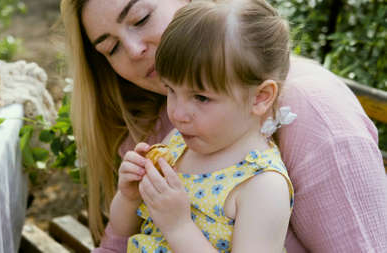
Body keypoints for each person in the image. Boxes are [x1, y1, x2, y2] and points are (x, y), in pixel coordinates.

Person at [60, 0, 387, 252]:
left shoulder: (303, 126)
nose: (133, 50)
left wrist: (177, 226)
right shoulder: (171, 125)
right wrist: (129, 197)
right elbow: (120, 238)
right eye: (111, 48)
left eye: (141, 18)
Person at [109, 1, 296, 252]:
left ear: (260, 97)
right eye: (171, 90)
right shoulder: (179, 143)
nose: (176, 113)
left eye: (201, 97)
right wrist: (129, 197)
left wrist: (178, 227)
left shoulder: (262, 185)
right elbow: (123, 230)